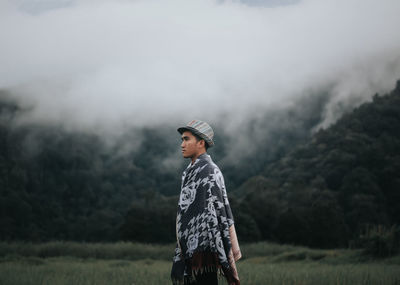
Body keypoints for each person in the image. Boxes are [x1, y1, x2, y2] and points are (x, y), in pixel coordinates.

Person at [171, 120, 241, 285]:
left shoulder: (209, 170)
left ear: (201, 143)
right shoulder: (190, 172)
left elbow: (215, 211)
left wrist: (202, 245)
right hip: (189, 248)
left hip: (205, 249)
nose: (182, 144)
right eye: (182, 139)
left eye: (187, 139)